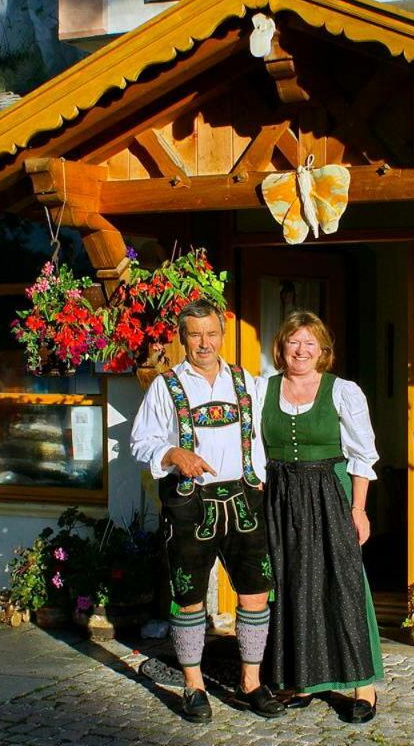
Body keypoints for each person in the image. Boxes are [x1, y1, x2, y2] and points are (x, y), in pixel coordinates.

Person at [130, 300, 285, 723]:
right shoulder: (166, 386)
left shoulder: (246, 381)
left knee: (255, 593)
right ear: (182, 338)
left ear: (222, 335)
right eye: (195, 335)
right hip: (189, 503)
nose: (204, 343)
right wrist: (172, 452)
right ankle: (193, 686)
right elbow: (140, 442)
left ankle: (250, 683)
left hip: (244, 500)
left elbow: (265, 434)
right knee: (189, 596)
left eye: (211, 333)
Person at [260, 310, 384, 724]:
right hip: (279, 495)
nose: (301, 350)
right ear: (281, 348)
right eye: (294, 341)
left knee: (343, 583)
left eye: (310, 343)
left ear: (323, 351)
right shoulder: (263, 389)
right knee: (290, 583)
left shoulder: (343, 390)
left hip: (328, 492)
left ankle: (361, 684)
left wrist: (358, 509)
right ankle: (300, 681)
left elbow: (362, 455)